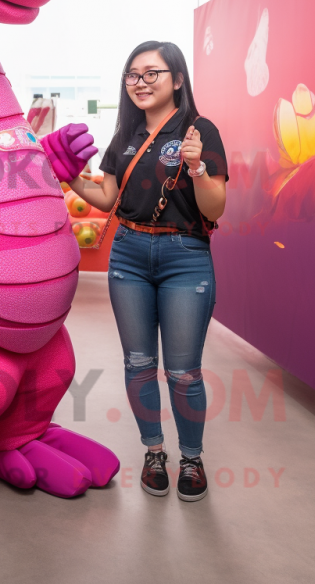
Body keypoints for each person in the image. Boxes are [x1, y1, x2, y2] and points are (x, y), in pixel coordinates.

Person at [69, 41, 227, 502]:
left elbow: (215, 207)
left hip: (185, 257)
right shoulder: (125, 135)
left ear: (177, 79)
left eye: (151, 73)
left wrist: (197, 167)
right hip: (129, 255)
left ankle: (192, 459)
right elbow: (108, 200)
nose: (140, 83)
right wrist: (69, 174)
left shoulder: (201, 130)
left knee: (182, 373)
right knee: (139, 365)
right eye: (132, 75)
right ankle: (154, 452)